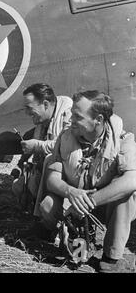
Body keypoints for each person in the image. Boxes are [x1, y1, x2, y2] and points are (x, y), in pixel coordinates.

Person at [39, 90, 136, 272]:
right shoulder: (66, 137)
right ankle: (72, 241)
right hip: (74, 203)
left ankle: (111, 258)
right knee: (48, 204)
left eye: (77, 116)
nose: (70, 120)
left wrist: (89, 202)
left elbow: (132, 180)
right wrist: (72, 193)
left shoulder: (124, 140)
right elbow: (52, 179)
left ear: (98, 120)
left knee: (125, 196)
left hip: (104, 204)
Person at [11, 83, 72, 216]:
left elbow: (63, 145)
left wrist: (37, 146)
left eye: (29, 108)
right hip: (45, 171)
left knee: (47, 206)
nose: (27, 113)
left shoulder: (68, 114)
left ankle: (43, 220)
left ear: (45, 104)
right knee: (18, 187)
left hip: (65, 173)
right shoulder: (43, 119)